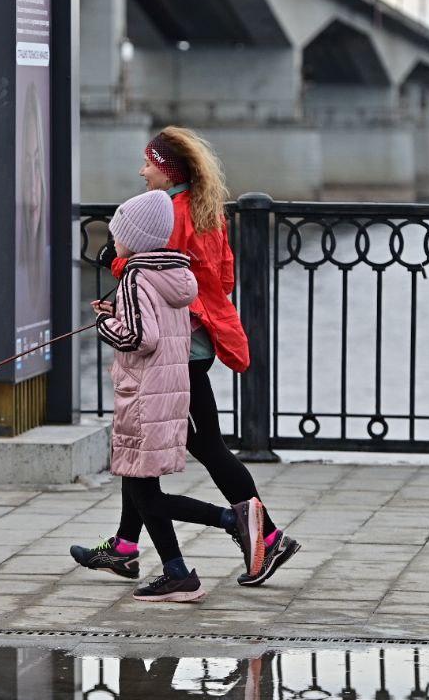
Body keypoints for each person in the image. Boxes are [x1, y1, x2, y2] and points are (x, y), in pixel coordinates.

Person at [72, 127, 300, 587]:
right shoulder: (207, 208)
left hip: (178, 355)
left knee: (204, 447)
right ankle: (125, 545)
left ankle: (266, 534)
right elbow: (224, 275)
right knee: (138, 443)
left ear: (167, 169)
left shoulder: (173, 212)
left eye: (149, 163)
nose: (142, 171)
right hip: (198, 341)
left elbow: (152, 266)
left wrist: (113, 262)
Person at [89, 189, 266, 603]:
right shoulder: (174, 273)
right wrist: (117, 312)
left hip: (142, 395)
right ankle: (171, 567)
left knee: (142, 488)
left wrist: (105, 327)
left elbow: (139, 336)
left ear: (133, 238)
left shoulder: (134, 275)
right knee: (139, 485)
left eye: (118, 235)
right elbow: (159, 325)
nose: (114, 242)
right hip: (169, 392)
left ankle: (227, 523)